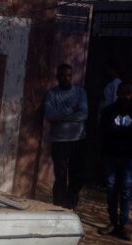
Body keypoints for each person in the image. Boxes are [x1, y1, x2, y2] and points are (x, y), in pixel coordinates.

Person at [98, 83, 132, 241]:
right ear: (117, 93)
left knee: (126, 190)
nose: (125, 96)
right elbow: (103, 132)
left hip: (129, 157)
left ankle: (123, 225)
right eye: (122, 93)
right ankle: (112, 222)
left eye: (128, 93)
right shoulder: (109, 111)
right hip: (111, 155)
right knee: (111, 188)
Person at [45, 64, 87, 210]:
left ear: (72, 76)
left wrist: (60, 116)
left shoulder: (80, 93)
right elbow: (49, 115)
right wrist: (71, 111)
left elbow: (83, 114)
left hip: (78, 140)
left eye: (69, 75)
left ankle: (70, 204)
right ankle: (58, 206)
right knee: (61, 176)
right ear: (57, 77)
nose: (66, 78)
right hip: (59, 141)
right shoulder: (52, 94)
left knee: (77, 176)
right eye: (62, 75)